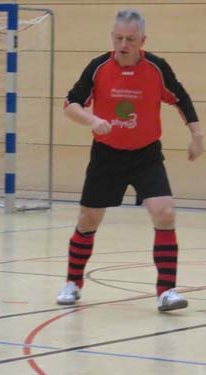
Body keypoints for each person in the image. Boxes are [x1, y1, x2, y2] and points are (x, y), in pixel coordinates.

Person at [56, 9, 203, 311]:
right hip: (106, 155)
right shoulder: (97, 67)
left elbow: (181, 98)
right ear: (113, 37)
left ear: (142, 40)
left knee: (164, 212)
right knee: (88, 219)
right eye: (118, 38)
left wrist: (197, 135)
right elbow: (70, 104)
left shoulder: (157, 68)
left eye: (130, 39)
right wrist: (92, 120)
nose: (123, 45)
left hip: (146, 155)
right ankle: (72, 282)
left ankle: (166, 292)